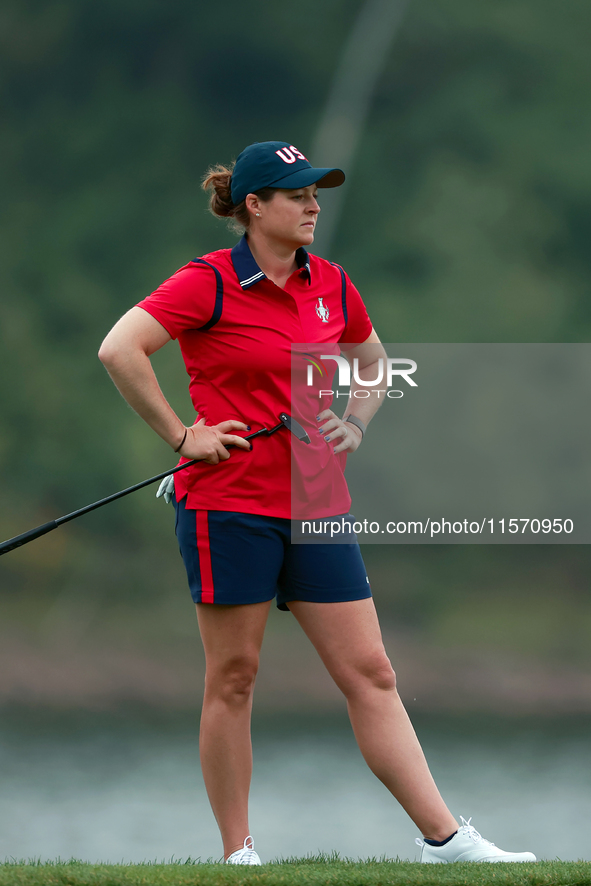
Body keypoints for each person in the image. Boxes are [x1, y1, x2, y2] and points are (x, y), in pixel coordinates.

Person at [98, 141, 536, 866]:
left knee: (372, 672)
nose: (312, 206)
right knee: (233, 677)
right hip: (228, 502)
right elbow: (121, 349)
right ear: (254, 206)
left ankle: (445, 841)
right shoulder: (206, 282)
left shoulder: (330, 281)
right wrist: (183, 435)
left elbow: (372, 363)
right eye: (297, 194)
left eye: (315, 194)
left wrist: (355, 421)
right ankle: (238, 854)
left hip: (316, 501)